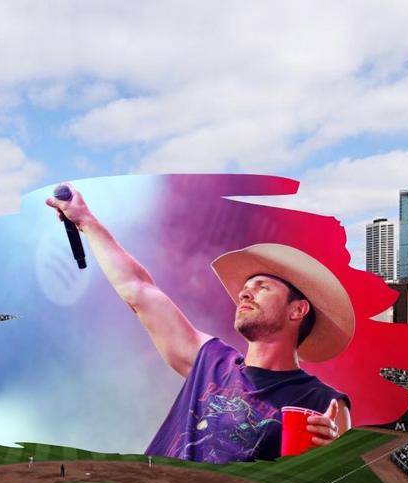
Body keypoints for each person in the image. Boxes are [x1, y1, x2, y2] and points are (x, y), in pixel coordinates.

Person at [47, 187, 353, 464]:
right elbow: (139, 291)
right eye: (246, 286)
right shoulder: (210, 361)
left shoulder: (324, 403)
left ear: (297, 309)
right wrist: (86, 221)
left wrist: (330, 459)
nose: (246, 291)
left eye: (262, 286)